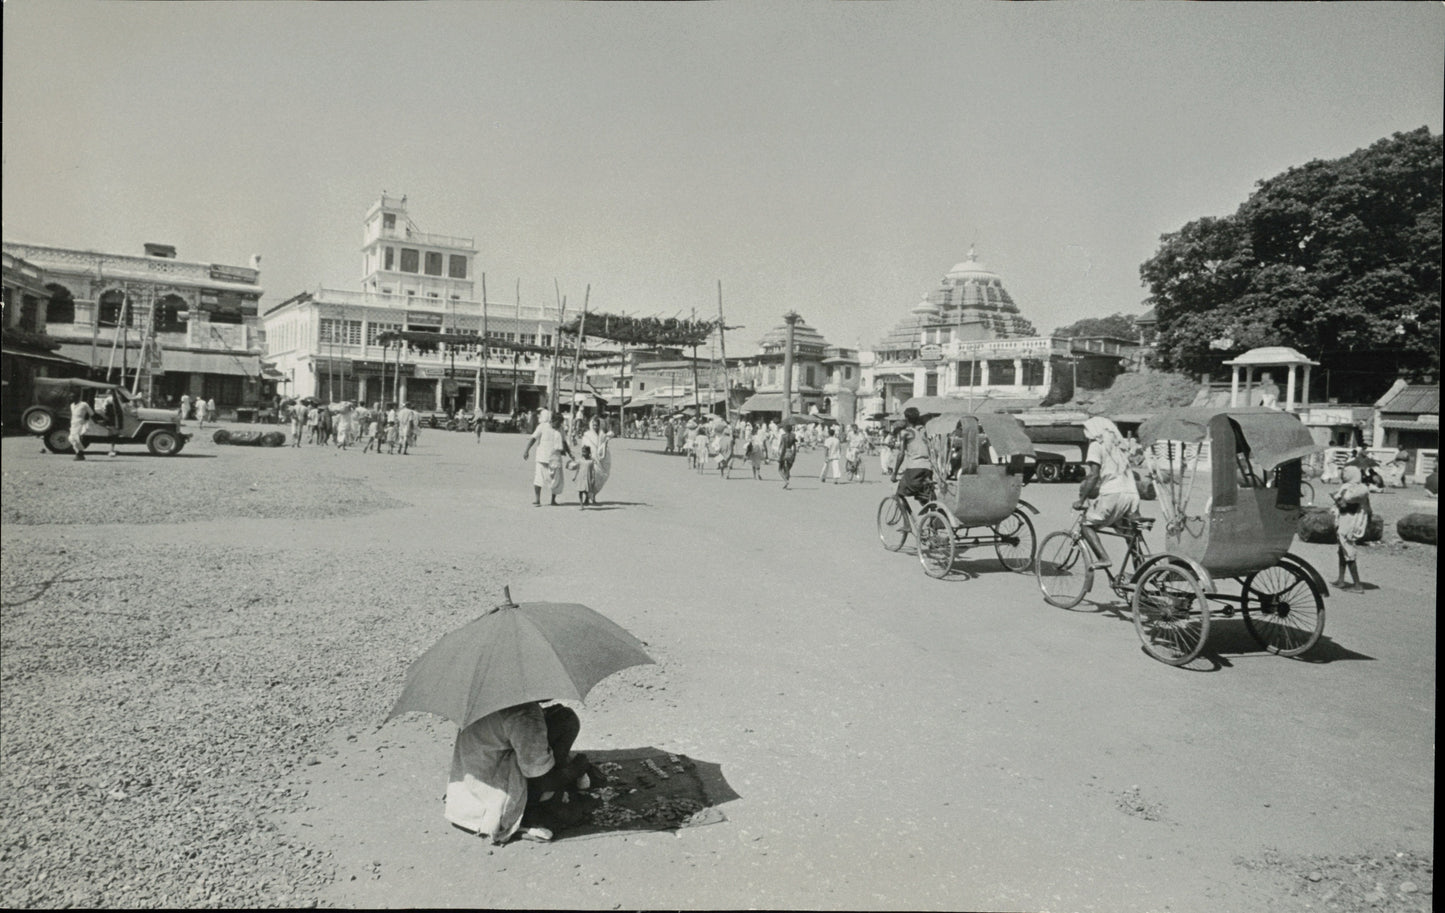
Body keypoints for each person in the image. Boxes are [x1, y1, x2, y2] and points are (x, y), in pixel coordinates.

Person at [445, 701, 593, 845]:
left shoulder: (489, 697)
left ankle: (548, 791)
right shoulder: (524, 714)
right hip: (490, 803)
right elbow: (544, 781)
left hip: (465, 794)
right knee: (569, 813)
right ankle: (532, 812)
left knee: (564, 717)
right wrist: (575, 769)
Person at [1073, 416, 1141, 570]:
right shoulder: (1120, 447)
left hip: (1113, 494)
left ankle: (1104, 558)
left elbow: (1093, 475)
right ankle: (1140, 574)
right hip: (1132, 494)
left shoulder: (1097, 446)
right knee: (1129, 533)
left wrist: (1081, 500)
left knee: (1086, 525)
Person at [1330, 465, 1371, 592]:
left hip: (1348, 523)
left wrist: (1336, 498)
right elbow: (1369, 509)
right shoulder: (1360, 488)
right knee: (1342, 550)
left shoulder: (1351, 489)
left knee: (1348, 551)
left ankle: (1357, 585)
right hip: (1349, 522)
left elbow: (1345, 506)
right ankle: (1341, 580)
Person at [523, 412, 571, 506]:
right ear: (552, 420)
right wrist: (526, 450)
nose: (559, 425)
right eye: (558, 423)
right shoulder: (542, 426)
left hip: (555, 458)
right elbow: (533, 438)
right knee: (538, 479)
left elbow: (564, 442)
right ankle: (537, 499)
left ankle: (553, 500)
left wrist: (569, 453)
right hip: (542, 457)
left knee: (556, 481)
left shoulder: (560, 429)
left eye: (560, 423)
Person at [890, 407, 933, 506]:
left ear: (906, 418)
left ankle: (907, 521)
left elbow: (901, 454)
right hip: (928, 468)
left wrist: (894, 474)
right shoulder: (922, 431)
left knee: (900, 492)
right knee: (923, 497)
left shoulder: (905, 433)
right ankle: (932, 517)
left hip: (915, 468)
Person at [579, 416, 613, 503]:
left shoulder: (602, 434)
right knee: (589, 479)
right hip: (590, 459)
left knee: (598, 478)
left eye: (596, 425)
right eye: (593, 425)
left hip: (600, 460)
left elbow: (608, 439)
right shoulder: (587, 435)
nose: (595, 427)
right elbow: (584, 447)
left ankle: (593, 496)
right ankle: (587, 498)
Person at [67, 391, 93, 461]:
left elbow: (91, 413)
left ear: (77, 397)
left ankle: (79, 454)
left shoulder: (84, 404)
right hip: (73, 424)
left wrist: (87, 422)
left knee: (76, 438)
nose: (71, 398)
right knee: (70, 438)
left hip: (80, 423)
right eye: (70, 397)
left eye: (72, 397)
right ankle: (80, 452)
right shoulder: (72, 405)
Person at [778, 421, 798, 489]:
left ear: (785, 429)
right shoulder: (793, 436)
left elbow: (782, 447)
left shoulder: (783, 436)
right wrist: (794, 455)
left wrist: (780, 456)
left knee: (780, 469)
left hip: (784, 452)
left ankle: (786, 481)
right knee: (787, 469)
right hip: (791, 452)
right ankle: (786, 484)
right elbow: (795, 446)